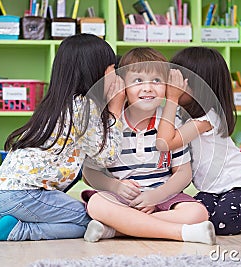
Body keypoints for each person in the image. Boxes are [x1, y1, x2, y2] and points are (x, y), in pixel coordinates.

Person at [0, 33, 126, 242]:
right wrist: (116, 109)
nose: (117, 75)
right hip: (24, 196)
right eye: (113, 68)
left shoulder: (56, 104)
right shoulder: (84, 107)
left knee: (77, 216)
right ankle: (18, 230)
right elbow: (107, 157)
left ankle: (0, 220)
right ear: (96, 73)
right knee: (90, 219)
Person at [81, 47, 216, 245]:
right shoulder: (110, 122)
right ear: (122, 86)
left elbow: (183, 173)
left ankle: (117, 229)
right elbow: (89, 174)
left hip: (162, 196)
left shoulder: (171, 122)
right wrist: (115, 186)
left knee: (198, 212)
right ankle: (182, 233)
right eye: (137, 81)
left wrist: (156, 195)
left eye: (156, 80)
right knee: (97, 204)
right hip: (118, 197)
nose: (148, 88)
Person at [155, 46, 241, 235]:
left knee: (223, 223)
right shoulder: (183, 114)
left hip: (239, 186)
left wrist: (171, 98)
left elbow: (166, 141)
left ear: (200, 86)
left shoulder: (208, 118)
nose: (171, 87)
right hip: (210, 190)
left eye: (180, 82)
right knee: (198, 216)